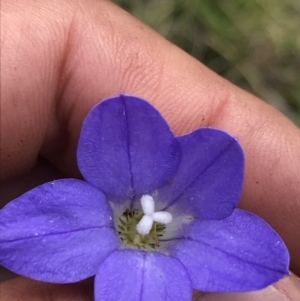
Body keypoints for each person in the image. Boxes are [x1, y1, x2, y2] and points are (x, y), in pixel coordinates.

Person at [1, 0, 300, 300]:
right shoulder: (130, 130)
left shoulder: (209, 165)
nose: (143, 226)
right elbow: (20, 237)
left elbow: (259, 260)